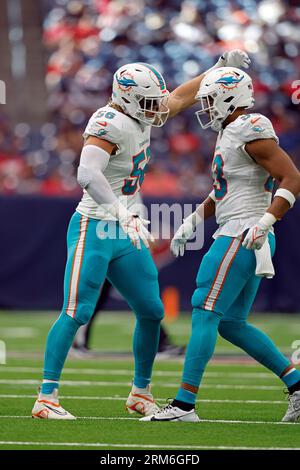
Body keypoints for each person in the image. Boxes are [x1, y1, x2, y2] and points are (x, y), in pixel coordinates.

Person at [31, 52, 251, 420]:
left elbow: (179, 98)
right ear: (128, 97)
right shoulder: (108, 121)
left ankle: (140, 392)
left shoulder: (140, 109)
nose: (156, 109)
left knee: (151, 311)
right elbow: (87, 174)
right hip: (96, 224)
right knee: (76, 311)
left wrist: (217, 70)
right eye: (148, 103)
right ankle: (46, 397)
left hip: (126, 227)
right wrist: (120, 212)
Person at [141, 66, 300, 423]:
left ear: (231, 96)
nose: (207, 107)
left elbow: (291, 177)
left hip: (244, 232)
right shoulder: (232, 131)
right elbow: (223, 192)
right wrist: (192, 222)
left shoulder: (250, 127)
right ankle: (297, 385)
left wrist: (265, 221)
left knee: (204, 309)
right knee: (230, 321)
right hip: (241, 230)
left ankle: (184, 405)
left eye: (212, 99)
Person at [71, 279, 185, 357]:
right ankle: (77, 341)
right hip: (107, 251)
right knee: (94, 296)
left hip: (120, 250)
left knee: (140, 293)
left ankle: (159, 340)